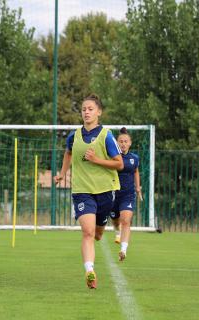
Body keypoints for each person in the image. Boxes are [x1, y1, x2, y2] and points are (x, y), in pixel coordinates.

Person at [54, 94, 123, 289]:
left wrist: (96, 160)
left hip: (105, 191)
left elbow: (119, 163)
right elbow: (68, 153)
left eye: (90, 109)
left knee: (98, 234)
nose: (86, 112)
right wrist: (62, 174)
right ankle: (89, 271)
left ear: (99, 112)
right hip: (82, 191)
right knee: (87, 232)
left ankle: (102, 232)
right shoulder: (73, 136)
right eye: (84, 109)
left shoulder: (106, 135)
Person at [110, 128, 143, 261]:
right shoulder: (112, 157)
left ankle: (123, 250)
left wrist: (138, 187)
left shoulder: (134, 158)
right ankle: (117, 231)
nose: (123, 144)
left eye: (126, 141)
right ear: (117, 143)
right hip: (113, 194)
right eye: (121, 141)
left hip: (128, 195)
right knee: (115, 220)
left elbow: (135, 171)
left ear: (130, 143)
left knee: (126, 221)